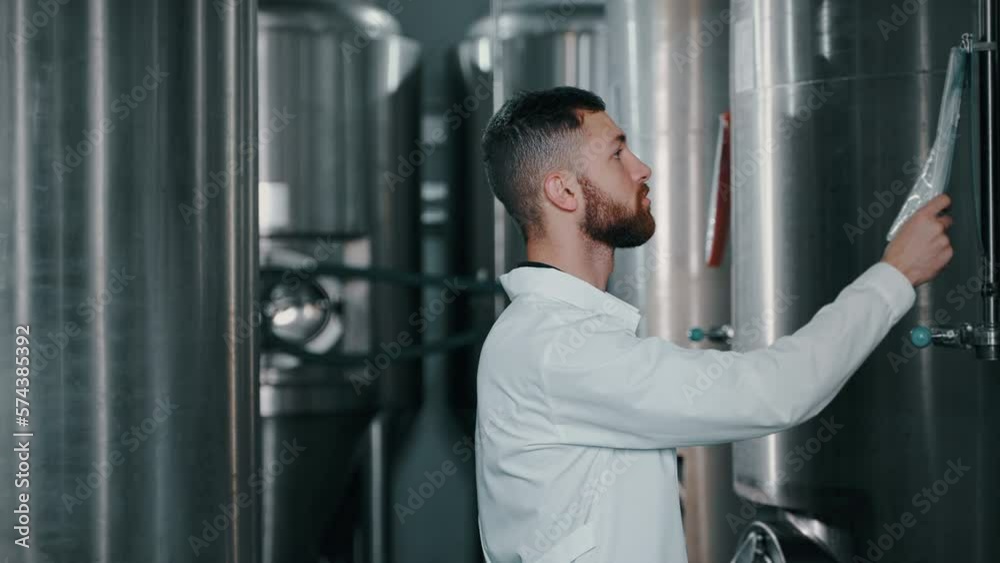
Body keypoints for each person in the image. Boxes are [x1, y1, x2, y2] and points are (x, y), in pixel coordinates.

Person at [473, 86, 954, 563]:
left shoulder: (557, 335)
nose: (643, 168)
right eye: (618, 153)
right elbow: (777, 390)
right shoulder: (554, 348)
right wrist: (896, 275)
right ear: (564, 190)